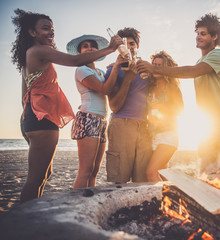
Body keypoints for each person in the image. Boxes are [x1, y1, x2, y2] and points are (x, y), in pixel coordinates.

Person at [11, 9, 121, 202]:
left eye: (52, 29)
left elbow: (24, 94)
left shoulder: (29, 56)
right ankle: (24, 220)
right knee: (36, 178)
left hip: (35, 117)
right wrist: (111, 49)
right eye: (45, 28)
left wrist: (25, 119)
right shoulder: (39, 50)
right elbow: (75, 60)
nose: (51, 32)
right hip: (42, 119)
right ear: (32, 32)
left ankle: (31, 215)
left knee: (45, 174)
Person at [137, 13, 220, 175]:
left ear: (214, 36)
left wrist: (154, 69)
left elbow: (192, 72)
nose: (198, 37)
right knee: (207, 172)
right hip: (208, 125)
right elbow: (192, 70)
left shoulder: (218, 55)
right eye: (197, 33)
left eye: (203, 34)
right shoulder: (200, 61)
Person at [66, 35, 125, 189]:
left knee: (95, 170)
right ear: (80, 53)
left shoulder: (99, 71)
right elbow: (105, 89)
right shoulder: (81, 70)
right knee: (85, 170)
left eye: (92, 46)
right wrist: (116, 67)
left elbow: (111, 85)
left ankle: (88, 198)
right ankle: (77, 205)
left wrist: (114, 68)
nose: (89, 48)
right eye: (85, 46)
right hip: (88, 118)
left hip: (102, 121)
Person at [105, 27, 152, 183]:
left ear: (137, 46)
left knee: (143, 181)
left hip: (145, 128)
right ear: (118, 48)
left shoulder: (147, 69)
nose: (128, 47)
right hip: (121, 125)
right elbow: (114, 107)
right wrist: (128, 78)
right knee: (119, 180)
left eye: (131, 43)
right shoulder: (113, 70)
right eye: (123, 44)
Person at [146, 51, 184, 181]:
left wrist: (162, 106)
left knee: (151, 173)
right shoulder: (149, 87)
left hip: (169, 135)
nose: (156, 68)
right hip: (152, 135)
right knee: (163, 175)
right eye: (154, 64)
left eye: (160, 65)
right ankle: (172, 200)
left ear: (166, 68)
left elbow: (180, 110)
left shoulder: (172, 87)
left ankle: (164, 201)